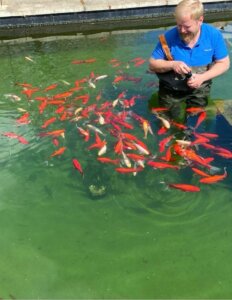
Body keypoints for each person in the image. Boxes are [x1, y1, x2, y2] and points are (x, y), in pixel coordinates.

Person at [149, 0, 230, 120]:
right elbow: (152, 64)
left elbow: (224, 63)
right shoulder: (167, 38)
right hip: (171, 92)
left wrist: (202, 77)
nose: (181, 30)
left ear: (200, 20)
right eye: (179, 25)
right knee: (169, 120)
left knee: (195, 121)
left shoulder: (213, 35)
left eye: (187, 26)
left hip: (200, 90)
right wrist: (173, 64)